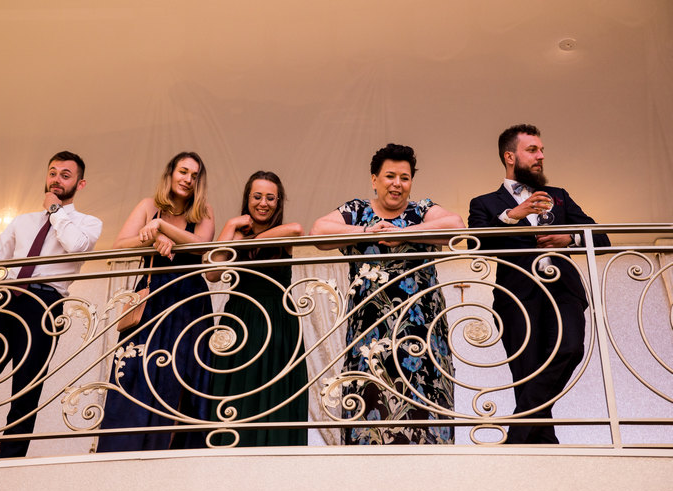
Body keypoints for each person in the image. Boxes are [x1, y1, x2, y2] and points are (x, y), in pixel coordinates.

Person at [0, 151, 103, 461]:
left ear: (80, 184)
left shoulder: (88, 223)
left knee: (26, 387)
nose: (56, 179)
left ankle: (10, 461)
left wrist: (55, 210)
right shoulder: (22, 221)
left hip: (45, 306)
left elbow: (76, 246)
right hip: (5, 299)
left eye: (65, 175)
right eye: (52, 172)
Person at [310, 143, 462, 445]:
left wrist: (404, 232)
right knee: (370, 409)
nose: (397, 184)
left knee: (424, 411)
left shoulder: (421, 211)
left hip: (421, 333)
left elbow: (456, 226)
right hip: (370, 334)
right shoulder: (357, 211)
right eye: (390, 176)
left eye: (405, 178)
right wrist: (368, 232)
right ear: (374, 179)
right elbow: (318, 232)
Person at [468, 124, 610, 444]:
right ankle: (542, 443)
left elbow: (602, 238)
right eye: (532, 150)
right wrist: (512, 215)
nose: (541, 156)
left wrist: (568, 238)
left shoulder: (559, 196)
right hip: (516, 296)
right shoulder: (484, 203)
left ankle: (518, 435)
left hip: (563, 291)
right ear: (510, 157)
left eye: (542, 150)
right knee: (526, 371)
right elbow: (477, 245)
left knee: (570, 349)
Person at [98, 151, 215, 451]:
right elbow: (119, 246)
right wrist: (152, 237)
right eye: (183, 171)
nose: (188, 179)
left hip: (189, 302)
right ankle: (124, 449)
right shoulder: (148, 206)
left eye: (194, 176)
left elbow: (201, 246)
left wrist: (163, 228)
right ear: (170, 173)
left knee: (179, 375)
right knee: (136, 371)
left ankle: (173, 454)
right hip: (150, 299)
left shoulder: (204, 212)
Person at [205, 171, 308, 446]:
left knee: (274, 383)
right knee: (238, 383)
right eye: (257, 196)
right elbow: (212, 273)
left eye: (270, 198)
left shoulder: (282, 233)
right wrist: (231, 225)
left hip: (277, 317)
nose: (263, 203)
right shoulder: (235, 233)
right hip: (239, 316)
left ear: (278, 201)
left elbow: (297, 229)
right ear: (247, 199)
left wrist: (246, 243)